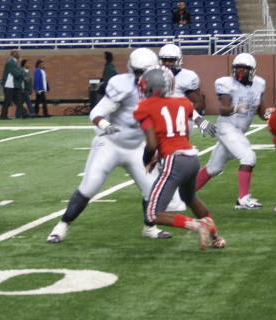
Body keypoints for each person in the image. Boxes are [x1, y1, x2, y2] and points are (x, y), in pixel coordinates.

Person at [46, 48, 180, 243]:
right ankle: (61, 227)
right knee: (90, 186)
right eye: (138, 72)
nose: (142, 77)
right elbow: (96, 112)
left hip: (136, 147)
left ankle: (150, 228)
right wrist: (105, 125)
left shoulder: (162, 87)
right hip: (110, 144)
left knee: (152, 191)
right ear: (131, 70)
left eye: (146, 72)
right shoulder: (121, 84)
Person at [134, 66, 226, 249]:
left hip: (174, 161)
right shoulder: (183, 103)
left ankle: (198, 225)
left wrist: (147, 159)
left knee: (153, 214)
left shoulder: (145, 107)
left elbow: (152, 143)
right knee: (190, 198)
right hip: (192, 158)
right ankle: (217, 237)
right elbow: (180, 127)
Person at [195, 53, 269, 209]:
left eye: (244, 68)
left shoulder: (259, 84)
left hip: (239, 131)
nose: (240, 71)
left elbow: (263, 113)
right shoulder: (226, 83)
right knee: (248, 157)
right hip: (227, 128)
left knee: (214, 168)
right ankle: (243, 199)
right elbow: (223, 109)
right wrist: (236, 108)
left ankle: (183, 194)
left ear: (252, 70)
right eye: (238, 68)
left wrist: (274, 115)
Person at [158, 44, 216, 137]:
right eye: (165, 60)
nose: (167, 63)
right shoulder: (154, 76)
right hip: (160, 118)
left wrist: (188, 116)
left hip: (181, 122)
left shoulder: (187, 76)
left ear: (179, 60)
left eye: (171, 60)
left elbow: (199, 103)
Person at [0, 50, 26, 120]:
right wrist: (22, 71)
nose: (18, 54)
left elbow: (17, 72)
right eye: (17, 53)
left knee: (18, 101)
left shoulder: (14, 62)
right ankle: (3, 116)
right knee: (7, 101)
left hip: (13, 85)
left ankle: (24, 114)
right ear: (13, 54)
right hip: (9, 85)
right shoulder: (11, 62)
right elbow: (16, 73)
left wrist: (20, 71)